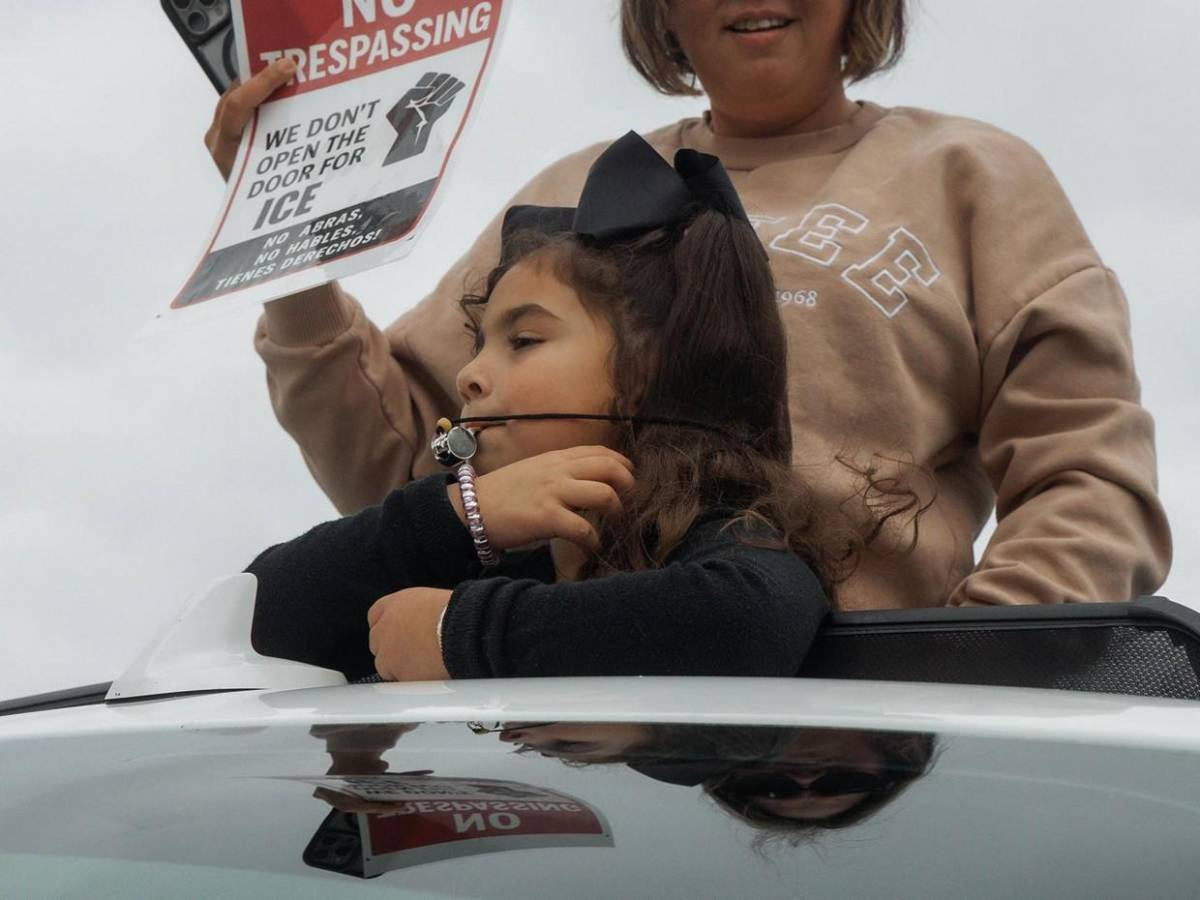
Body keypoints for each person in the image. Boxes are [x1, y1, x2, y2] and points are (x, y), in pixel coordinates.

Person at [209, 0, 1170, 609]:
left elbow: (1084, 474)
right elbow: (427, 454)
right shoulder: (577, 187)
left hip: (859, 731)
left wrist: (966, 667)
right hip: (573, 696)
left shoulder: (972, 176)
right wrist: (290, 252)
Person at [247, 134, 840, 682]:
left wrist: (459, 635)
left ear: (650, 373)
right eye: (479, 345)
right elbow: (255, 616)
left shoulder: (732, 542)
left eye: (524, 342)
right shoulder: (503, 563)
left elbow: (744, 618)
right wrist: (460, 517)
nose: (468, 373)